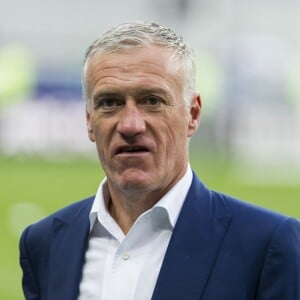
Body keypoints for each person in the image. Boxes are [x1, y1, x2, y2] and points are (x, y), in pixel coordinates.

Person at [19, 21, 300, 300]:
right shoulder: (44, 244)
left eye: (152, 101)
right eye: (110, 103)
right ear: (90, 122)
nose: (130, 125)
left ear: (192, 115)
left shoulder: (268, 245)